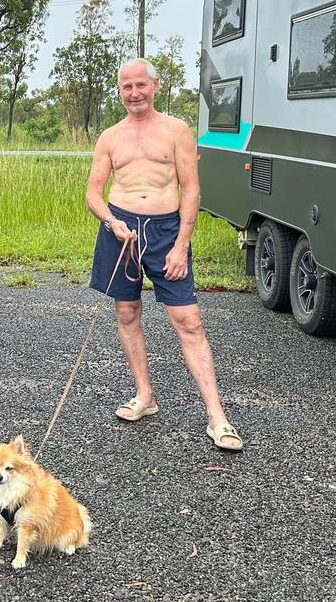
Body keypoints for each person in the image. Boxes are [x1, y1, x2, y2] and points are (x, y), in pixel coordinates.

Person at [85, 58, 242, 451]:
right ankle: (145, 396)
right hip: (120, 231)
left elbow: (191, 190)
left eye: (140, 85)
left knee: (188, 320)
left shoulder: (177, 131)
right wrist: (111, 222)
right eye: (126, 87)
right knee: (126, 312)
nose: (134, 93)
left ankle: (217, 417)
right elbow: (93, 193)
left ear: (155, 85)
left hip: (166, 232)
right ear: (119, 91)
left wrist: (181, 245)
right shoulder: (110, 137)